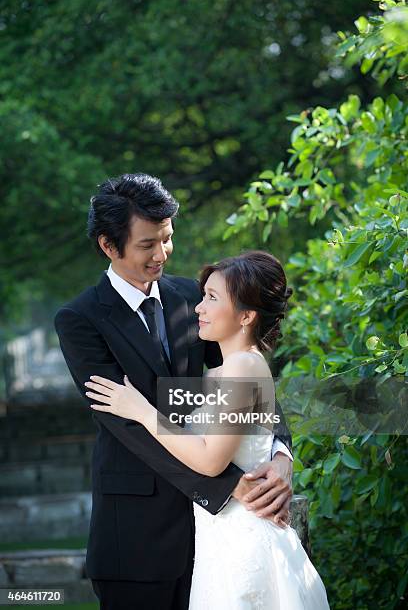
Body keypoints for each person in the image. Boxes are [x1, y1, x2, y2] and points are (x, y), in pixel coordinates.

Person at [54, 174, 294, 610]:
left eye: (167, 239)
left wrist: (280, 456)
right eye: (148, 244)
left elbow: (247, 379)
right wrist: (230, 486)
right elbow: (125, 421)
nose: (162, 254)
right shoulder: (80, 319)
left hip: (218, 538)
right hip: (137, 534)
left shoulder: (194, 298)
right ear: (110, 246)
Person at [86, 250, 330, 609]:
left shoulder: (244, 367)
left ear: (247, 315)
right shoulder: (218, 372)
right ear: (111, 245)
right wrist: (278, 452)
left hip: (243, 538)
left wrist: (141, 410)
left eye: (212, 299)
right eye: (203, 296)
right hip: (214, 539)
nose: (198, 308)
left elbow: (212, 460)